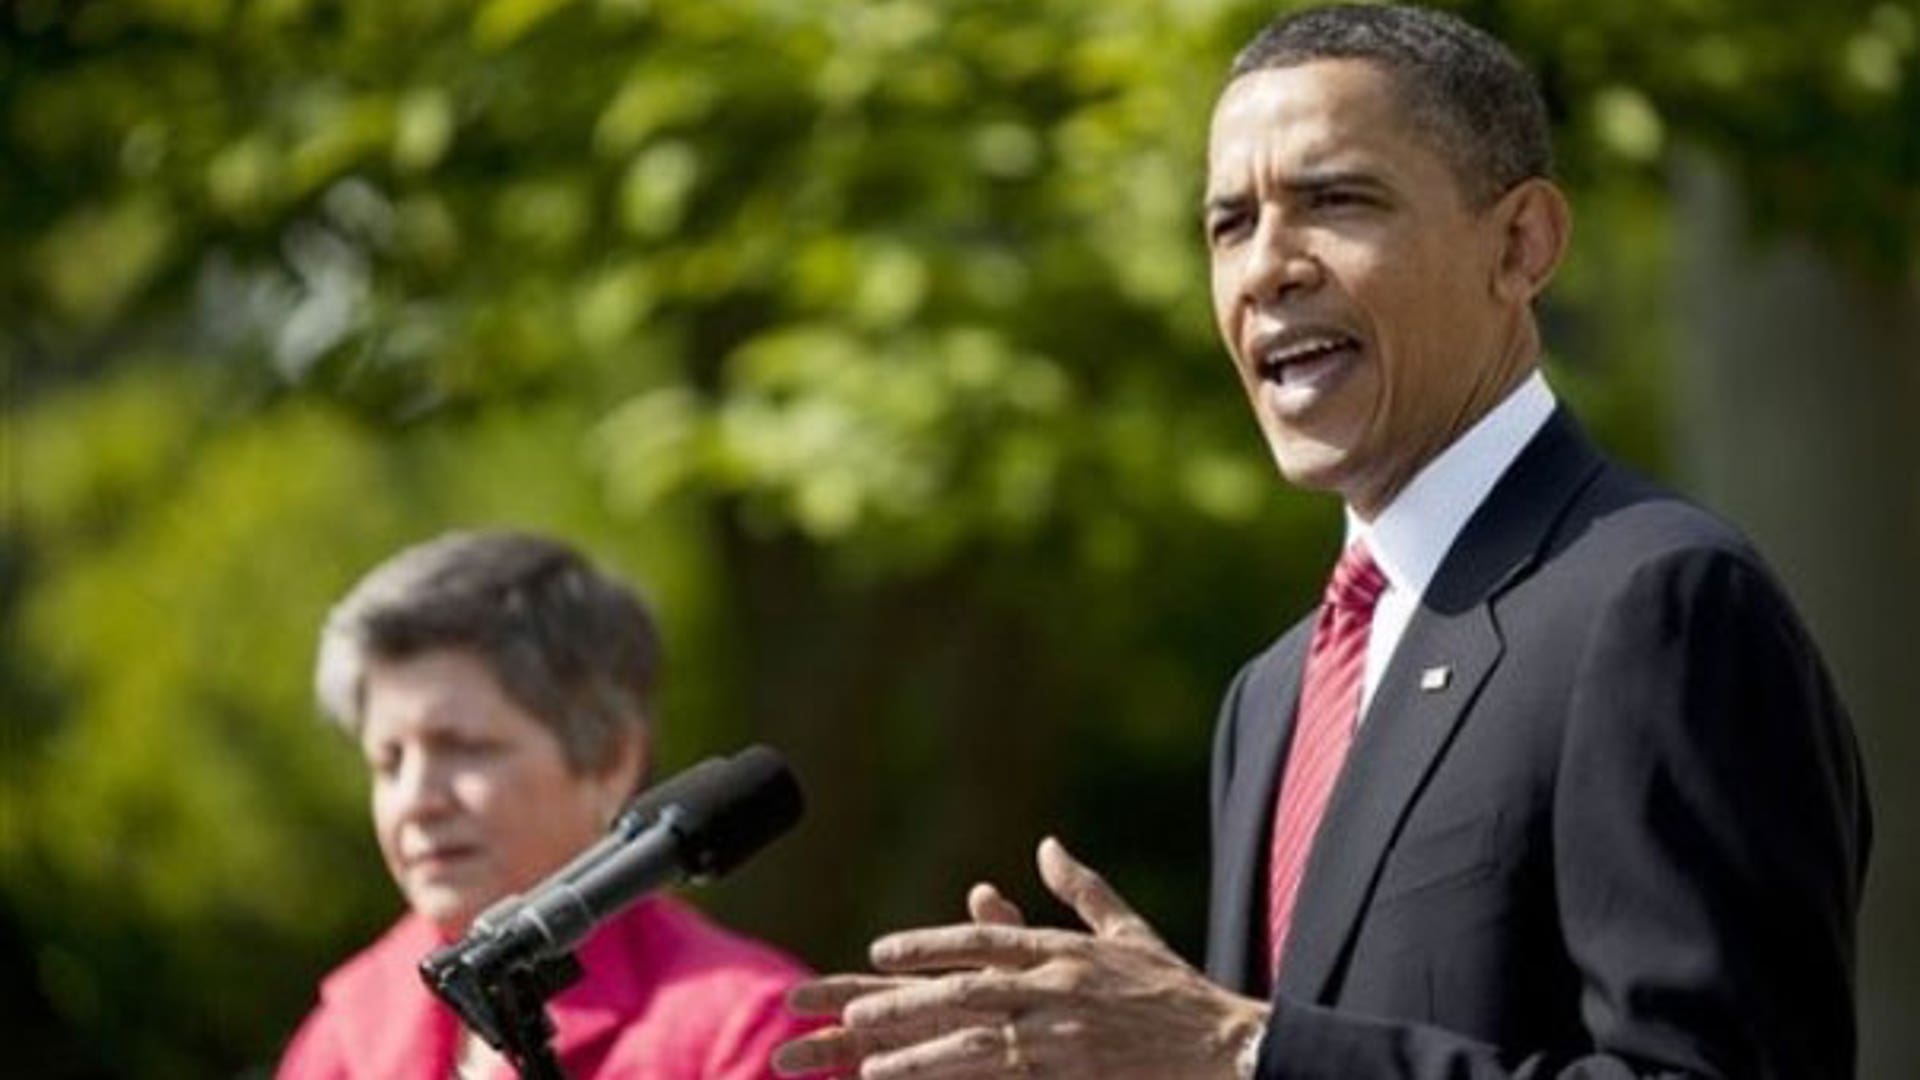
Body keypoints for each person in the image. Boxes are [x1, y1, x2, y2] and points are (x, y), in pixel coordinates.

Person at [772, 5, 1870, 1079]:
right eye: (1229, 225)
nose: (1267, 268)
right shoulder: (1274, 692)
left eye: (1334, 200)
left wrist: (1236, 1046)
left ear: (1522, 243)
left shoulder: (1656, 602)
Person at [278, 530, 815, 1079]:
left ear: (610, 758)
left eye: (465, 749)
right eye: (388, 762)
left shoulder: (754, 1028)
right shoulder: (347, 1031)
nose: (417, 801)